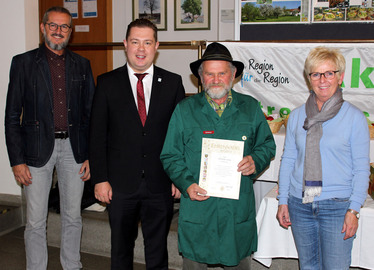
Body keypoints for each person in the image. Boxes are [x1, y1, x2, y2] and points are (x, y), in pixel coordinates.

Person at [160, 42, 276, 269]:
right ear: (200, 78)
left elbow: (267, 145)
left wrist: (255, 160)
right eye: (209, 74)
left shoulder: (250, 108)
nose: (215, 80)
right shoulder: (185, 110)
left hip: (236, 210)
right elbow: (170, 155)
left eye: (222, 73)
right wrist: (186, 184)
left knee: (239, 261)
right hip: (198, 206)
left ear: (233, 75)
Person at [89, 19, 185, 269]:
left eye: (147, 42)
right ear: (125, 44)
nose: (140, 49)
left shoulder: (173, 83)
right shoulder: (107, 83)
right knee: (120, 251)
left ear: (156, 46)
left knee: (157, 251)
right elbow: (97, 134)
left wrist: (178, 177)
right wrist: (100, 178)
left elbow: (180, 136)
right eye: (135, 42)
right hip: (120, 185)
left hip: (160, 182)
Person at [4, 6, 95, 270]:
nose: (58, 31)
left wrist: (88, 153)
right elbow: (12, 116)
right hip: (34, 150)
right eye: (53, 25)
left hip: (74, 150)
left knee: (73, 216)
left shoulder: (82, 65)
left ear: (71, 32)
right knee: (35, 221)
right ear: (43, 27)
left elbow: (90, 115)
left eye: (64, 26)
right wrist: (16, 160)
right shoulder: (23, 63)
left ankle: (72, 265)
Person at [276, 47, 370, 270]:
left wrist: (354, 210)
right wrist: (283, 200)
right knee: (308, 267)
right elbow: (288, 159)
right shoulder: (298, 115)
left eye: (329, 73)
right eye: (316, 74)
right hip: (300, 205)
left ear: (340, 77)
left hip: (337, 207)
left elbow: (361, 169)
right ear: (309, 79)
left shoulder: (354, 117)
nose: (323, 80)